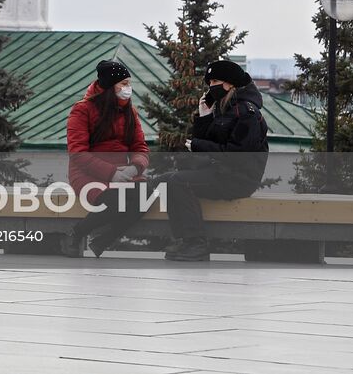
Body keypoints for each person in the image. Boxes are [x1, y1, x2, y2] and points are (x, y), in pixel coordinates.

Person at [162, 58, 270, 262]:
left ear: (230, 84)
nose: (211, 87)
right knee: (168, 180)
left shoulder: (247, 113)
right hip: (222, 173)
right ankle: (186, 241)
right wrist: (204, 117)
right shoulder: (225, 108)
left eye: (215, 82)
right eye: (209, 83)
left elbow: (237, 156)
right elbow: (209, 142)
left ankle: (196, 243)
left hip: (239, 178)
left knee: (178, 182)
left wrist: (198, 145)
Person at [62, 59, 151, 258]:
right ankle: (76, 233)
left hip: (123, 172)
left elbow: (140, 147)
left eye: (129, 83)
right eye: (124, 84)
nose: (129, 88)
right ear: (111, 86)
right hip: (87, 174)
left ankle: (104, 239)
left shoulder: (130, 111)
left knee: (146, 194)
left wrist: (134, 168)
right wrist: (111, 174)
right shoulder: (82, 110)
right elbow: (77, 152)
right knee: (115, 200)